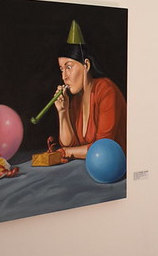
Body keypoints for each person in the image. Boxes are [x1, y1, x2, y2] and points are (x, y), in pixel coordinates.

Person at [53, 20, 126, 160]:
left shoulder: (106, 90)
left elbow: (102, 147)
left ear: (86, 65)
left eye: (69, 67)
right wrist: (63, 112)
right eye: (61, 69)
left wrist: (65, 152)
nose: (64, 77)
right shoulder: (76, 100)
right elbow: (70, 144)